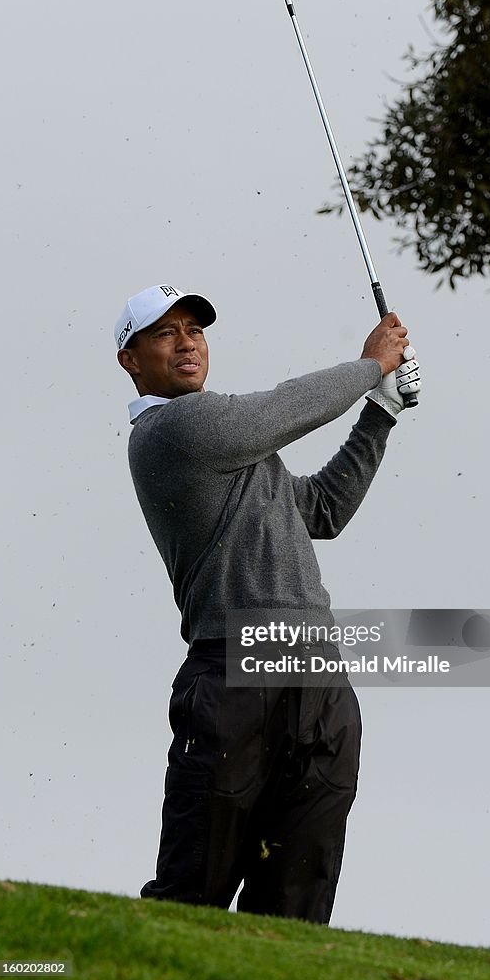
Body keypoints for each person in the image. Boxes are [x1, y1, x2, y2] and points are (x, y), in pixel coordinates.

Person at [115, 282, 421, 923]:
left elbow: (322, 510)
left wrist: (380, 414)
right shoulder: (173, 429)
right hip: (236, 669)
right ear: (131, 360)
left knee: (295, 904)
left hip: (319, 674)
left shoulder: (236, 452)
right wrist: (372, 366)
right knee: (191, 893)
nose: (187, 343)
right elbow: (283, 409)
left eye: (194, 331)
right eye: (165, 333)